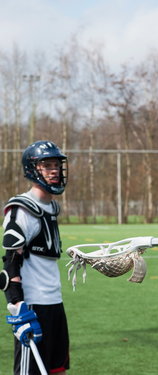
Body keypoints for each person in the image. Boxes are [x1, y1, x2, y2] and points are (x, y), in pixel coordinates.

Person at [2, 141, 70, 375]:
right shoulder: (23, 209)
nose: (54, 171)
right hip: (33, 305)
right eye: (47, 165)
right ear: (33, 170)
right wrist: (17, 307)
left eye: (57, 165)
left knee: (57, 369)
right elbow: (10, 264)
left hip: (54, 302)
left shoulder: (51, 208)